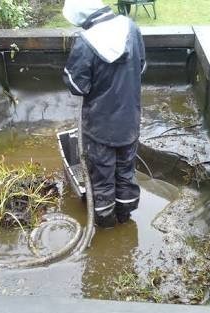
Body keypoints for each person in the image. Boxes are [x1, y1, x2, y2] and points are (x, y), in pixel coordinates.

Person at [62, 0, 146, 228]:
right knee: (126, 172)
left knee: (102, 178)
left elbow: (77, 87)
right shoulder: (131, 27)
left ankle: (105, 224)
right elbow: (140, 67)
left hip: (100, 128)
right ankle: (125, 216)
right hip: (129, 122)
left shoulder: (85, 43)